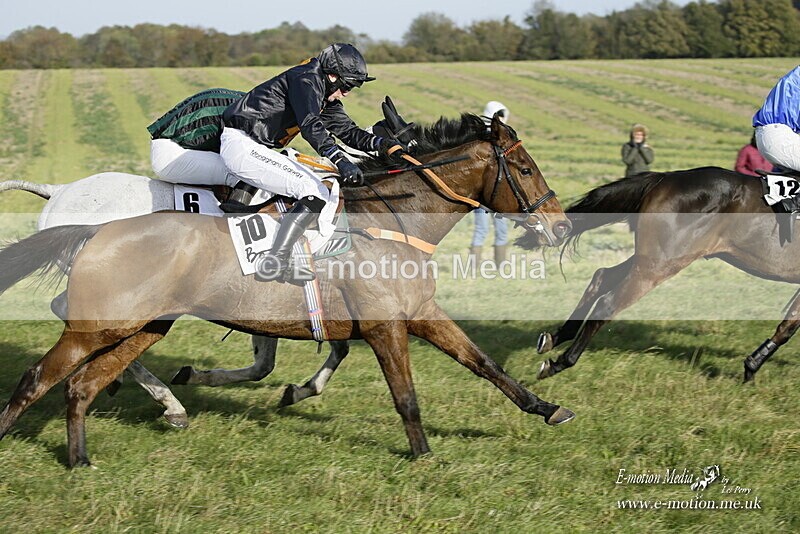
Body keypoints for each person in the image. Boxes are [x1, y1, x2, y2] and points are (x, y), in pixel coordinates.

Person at [219, 43, 406, 284]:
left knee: (315, 187)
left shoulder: (323, 92)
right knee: (312, 190)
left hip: (253, 147)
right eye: (347, 86)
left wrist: (384, 145)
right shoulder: (306, 79)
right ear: (332, 75)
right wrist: (339, 160)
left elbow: (348, 132)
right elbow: (310, 125)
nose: (347, 93)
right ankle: (275, 263)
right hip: (242, 145)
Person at [469, 101, 510, 266]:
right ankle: (474, 266)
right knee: (482, 230)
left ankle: (500, 265)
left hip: (498, 193)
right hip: (484, 193)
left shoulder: (501, 135)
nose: (501, 118)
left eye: (502, 115)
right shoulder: (483, 137)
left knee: (502, 230)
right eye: (498, 115)